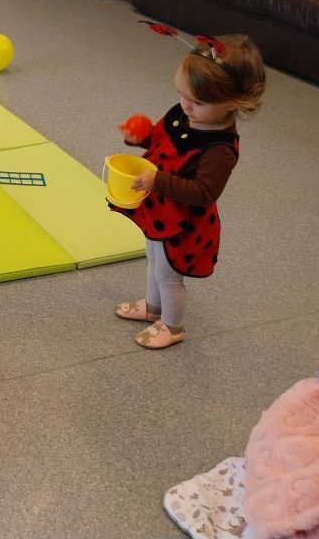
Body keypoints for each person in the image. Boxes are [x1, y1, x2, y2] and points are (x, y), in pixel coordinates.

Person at [113, 34, 266, 349]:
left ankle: (173, 326)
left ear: (233, 104)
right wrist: (140, 137)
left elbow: (203, 192)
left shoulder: (220, 149)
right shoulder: (184, 114)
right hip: (160, 213)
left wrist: (157, 181)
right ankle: (153, 308)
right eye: (181, 95)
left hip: (184, 223)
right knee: (153, 259)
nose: (185, 105)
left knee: (170, 275)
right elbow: (160, 140)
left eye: (197, 102)